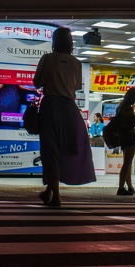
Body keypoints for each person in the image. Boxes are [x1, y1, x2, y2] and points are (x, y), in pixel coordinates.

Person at [32, 27, 96, 207]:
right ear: (70, 42)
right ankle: (51, 191)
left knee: (50, 150)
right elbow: (76, 86)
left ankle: (55, 195)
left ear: (54, 41)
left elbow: (37, 82)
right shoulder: (76, 63)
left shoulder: (47, 59)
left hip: (50, 106)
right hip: (69, 108)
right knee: (66, 150)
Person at [112, 87, 135, 195]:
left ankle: (129, 186)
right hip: (129, 136)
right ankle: (121, 187)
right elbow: (132, 123)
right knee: (127, 163)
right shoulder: (128, 108)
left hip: (123, 137)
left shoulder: (120, 107)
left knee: (127, 163)